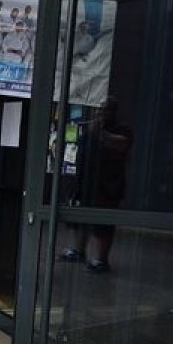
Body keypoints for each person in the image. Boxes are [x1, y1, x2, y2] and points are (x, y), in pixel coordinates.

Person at [59, 98, 133, 272]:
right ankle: (78, 250)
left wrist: (101, 132)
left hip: (108, 185)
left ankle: (101, 259)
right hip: (86, 182)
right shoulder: (90, 131)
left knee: (103, 224)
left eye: (105, 111)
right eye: (98, 111)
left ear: (113, 113)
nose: (100, 114)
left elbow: (122, 144)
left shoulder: (122, 130)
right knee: (79, 218)